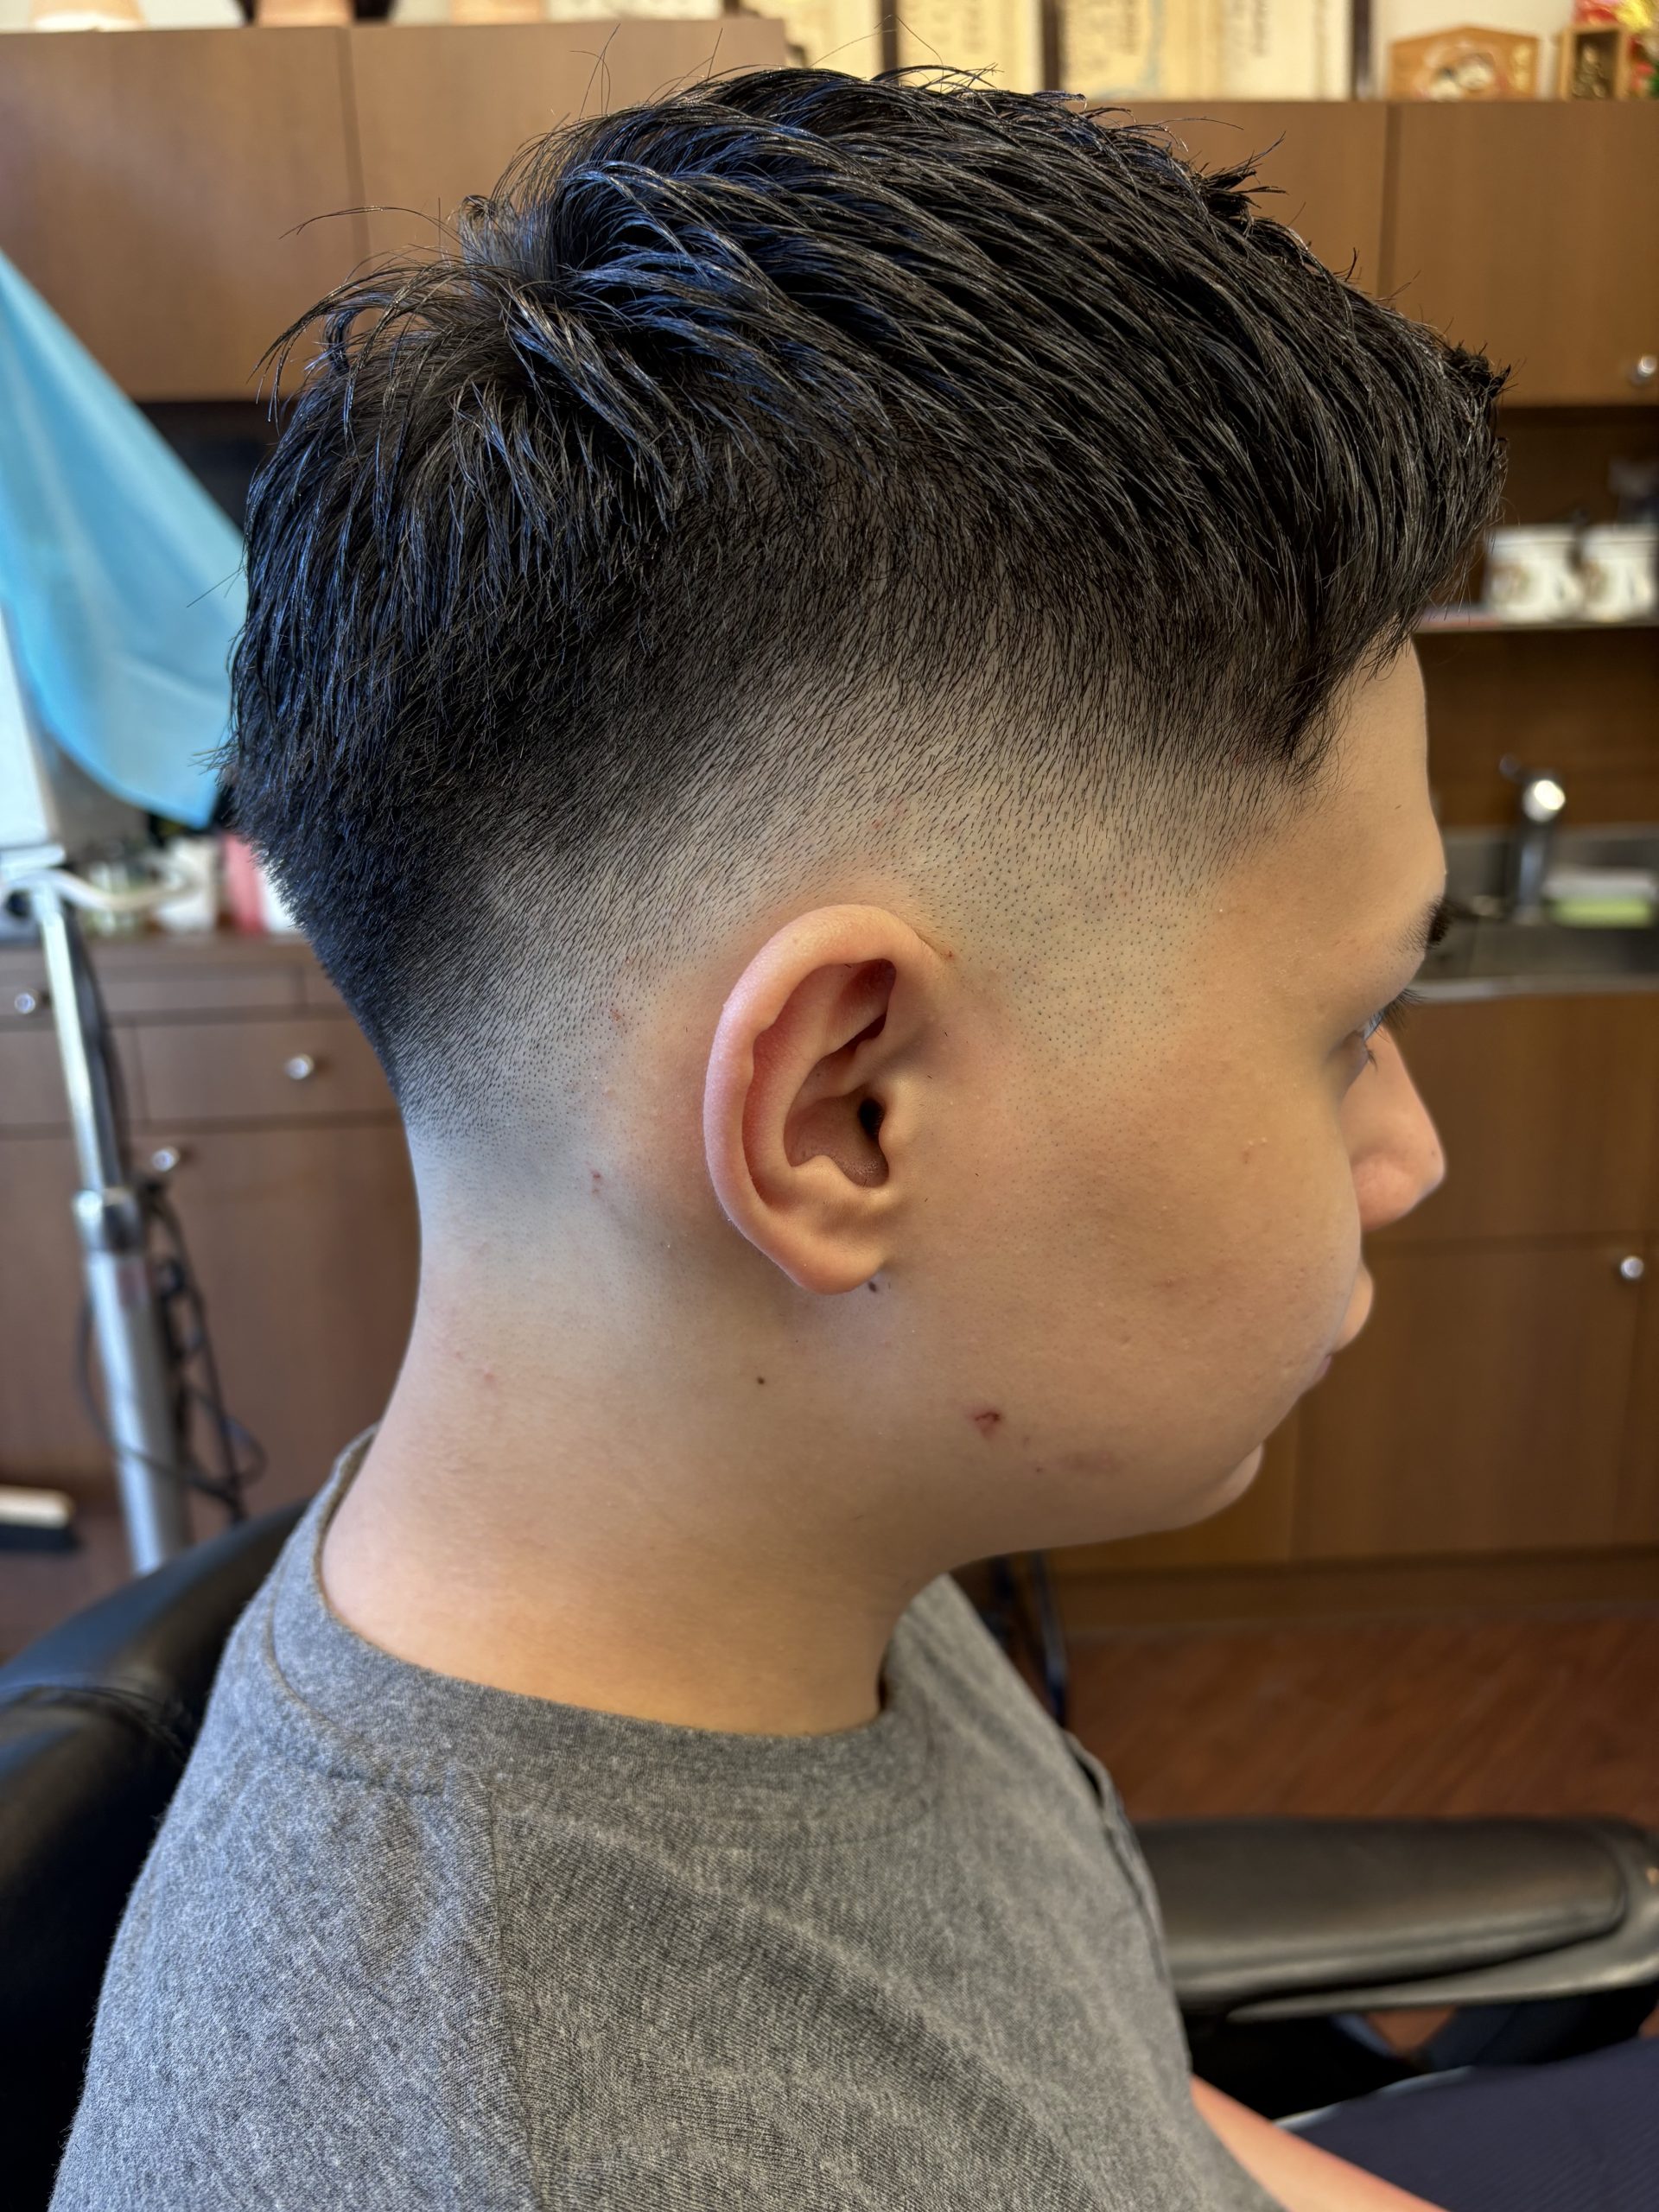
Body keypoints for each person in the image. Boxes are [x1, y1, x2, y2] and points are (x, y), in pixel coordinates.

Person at [53, 67, 1648, 2212]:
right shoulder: (523, 2143)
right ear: (843, 1111)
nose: (1409, 1153)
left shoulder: (761, 1557)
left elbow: (1089, 2107)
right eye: (1351, 1028)